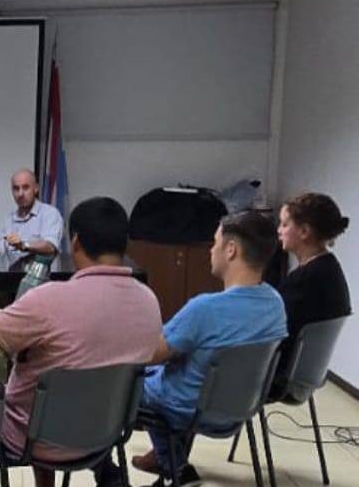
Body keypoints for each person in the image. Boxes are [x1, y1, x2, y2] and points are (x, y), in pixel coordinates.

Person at [0, 197, 162, 487]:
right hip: (105, 434)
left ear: (76, 242)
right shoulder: (149, 301)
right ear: (124, 243)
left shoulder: (48, 300)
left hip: (32, 439)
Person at [128, 212, 288, 485]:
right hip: (241, 406)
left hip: (189, 408)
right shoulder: (275, 303)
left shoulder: (205, 309)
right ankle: (172, 463)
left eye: (215, 243)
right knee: (175, 371)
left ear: (231, 249)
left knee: (132, 383)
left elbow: (151, 353)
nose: (211, 250)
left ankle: (174, 468)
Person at [273, 193, 350, 393]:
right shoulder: (330, 269)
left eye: (284, 224)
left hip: (280, 377)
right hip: (307, 375)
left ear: (304, 231)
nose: (279, 230)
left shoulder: (305, 279)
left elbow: (272, 328)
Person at [0, 169, 63, 269]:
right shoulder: (8, 219)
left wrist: (24, 245)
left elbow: (50, 246)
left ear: (36, 188)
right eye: (16, 189)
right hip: (11, 276)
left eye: (25, 187)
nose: (20, 194)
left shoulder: (50, 214)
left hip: (42, 276)